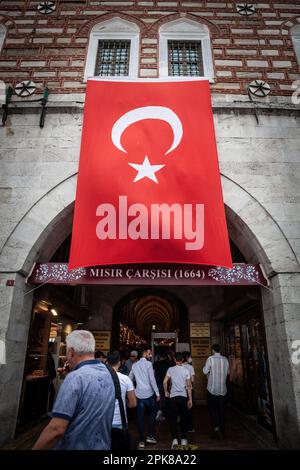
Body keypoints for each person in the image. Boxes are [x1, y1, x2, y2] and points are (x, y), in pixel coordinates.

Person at [32, 330, 115, 450]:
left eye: (66, 352)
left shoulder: (75, 377)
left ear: (71, 353)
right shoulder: (107, 373)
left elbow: (56, 429)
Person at [129, 348, 160, 449]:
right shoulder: (149, 364)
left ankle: (141, 441)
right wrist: (157, 393)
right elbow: (152, 380)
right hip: (149, 394)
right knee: (153, 413)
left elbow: (129, 379)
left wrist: (133, 390)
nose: (150, 355)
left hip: (139, 394)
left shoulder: (134, 365)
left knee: (140, 418)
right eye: (149, 353)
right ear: (144, 353)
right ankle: (150, 436)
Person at [106, 350, 137, 450]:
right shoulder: (126, 379)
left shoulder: (101, 378)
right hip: (120, 421)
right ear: (119, 362)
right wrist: (124, 403)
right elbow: (133, 403)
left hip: (103, 422)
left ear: (107, 362)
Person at [163, 352, 192, 449]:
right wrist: (190, 399)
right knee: (184, 418)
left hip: (173, 397)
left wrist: (166, 391)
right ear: (183, 360)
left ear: (175, 360)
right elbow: (189, 386)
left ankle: (174, 440)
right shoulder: (186, 370)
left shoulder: (170, 369)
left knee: (173, 419)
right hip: (183, 397)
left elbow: (164, 381)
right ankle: (183, 439)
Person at [203, 343, 229, 439]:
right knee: (222, 410)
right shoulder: (225, 360)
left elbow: (205, 371)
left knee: (213, 409)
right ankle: (222, 430)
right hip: (223, 390)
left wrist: (206, 369)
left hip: (212, 390)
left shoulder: (210, 359)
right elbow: (228, 372)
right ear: (220, 350)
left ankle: (216, 427)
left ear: (213, 350)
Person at [153, 350, 170, 421]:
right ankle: (164, 413)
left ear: (159, 357)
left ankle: (159, 412)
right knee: (165, 398)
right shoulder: (168, 364)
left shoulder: (155, 364)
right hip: (166, 383)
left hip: (158, 383)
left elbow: (153, 374)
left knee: (158, 398)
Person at [182, 351, 196, 432]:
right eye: (190, 356)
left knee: (182, 409)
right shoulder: (190, 367)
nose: (191, 358)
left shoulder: (178, 366)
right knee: (189, 409)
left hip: (181, 390)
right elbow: (192, 380)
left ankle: (182, 426)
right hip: (189, 390)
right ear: (187, 358)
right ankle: (190, 427)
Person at [46, 342, 57, 412]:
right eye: (52, 347)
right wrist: (51, 377)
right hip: (48, 377)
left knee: (52, 393)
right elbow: (50, 367)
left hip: (49, 377)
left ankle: (49, 409)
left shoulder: (49, 355)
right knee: (52, 393)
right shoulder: (48, 356)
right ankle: (49, 410)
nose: (53, 348)